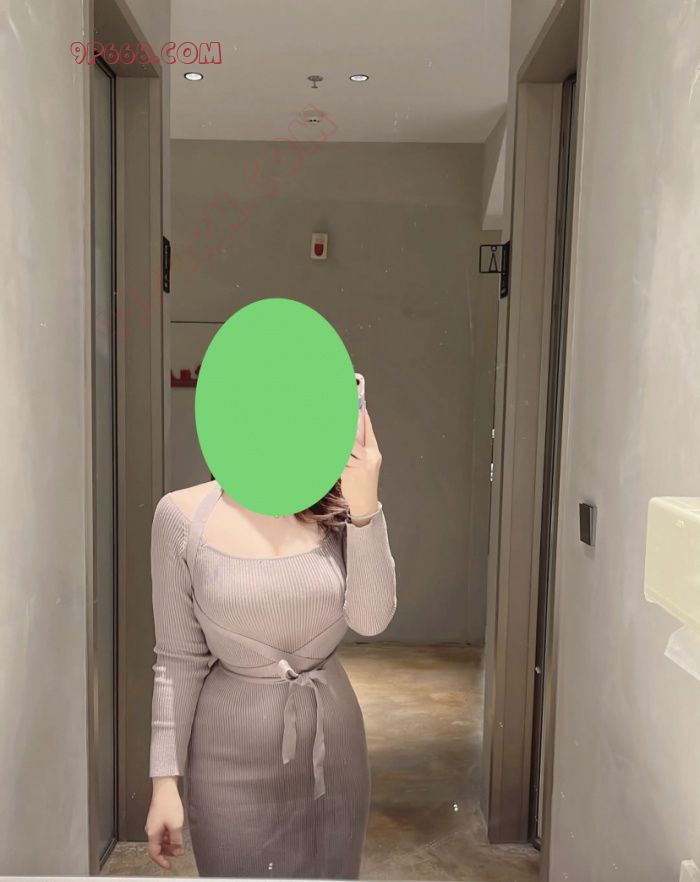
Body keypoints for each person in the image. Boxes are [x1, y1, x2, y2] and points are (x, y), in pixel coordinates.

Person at [144, 411, 396, 878]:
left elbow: (371, 619)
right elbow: (178, 659)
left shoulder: (338, 505)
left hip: (334, 752)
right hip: (227, 761)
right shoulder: (181, 516)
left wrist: (366, 507)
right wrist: (164, 783)